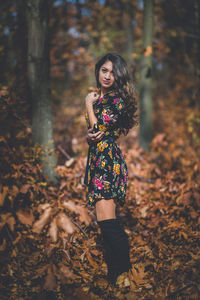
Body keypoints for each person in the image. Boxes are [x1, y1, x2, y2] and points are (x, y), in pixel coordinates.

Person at [83, 53, 138, 285]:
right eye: (104, 70)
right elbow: (94, 135)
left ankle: (123, 272)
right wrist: (88, 137)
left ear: (119, 77)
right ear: (98, 71)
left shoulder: (116, 100)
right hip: (99, 159)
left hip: (107, 161)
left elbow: (99, 129)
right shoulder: (101, 100)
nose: (108, 75)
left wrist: (87, 104)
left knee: (107, 221)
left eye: (113, 72)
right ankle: (117, 273)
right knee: (106, 220)